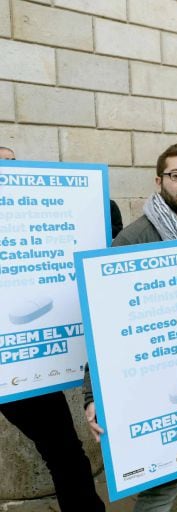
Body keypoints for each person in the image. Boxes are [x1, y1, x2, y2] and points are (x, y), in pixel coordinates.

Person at [84, 142, 177, 511]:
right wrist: (93, 394)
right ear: (158, 180)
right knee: (162, 488)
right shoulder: (134, 239)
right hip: (157, 386)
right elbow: (104, 321)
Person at [1, 144, 105, 511]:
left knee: (63, 451)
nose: (7, 174)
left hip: (28, 365)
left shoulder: (34, 216)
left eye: (11, 165)